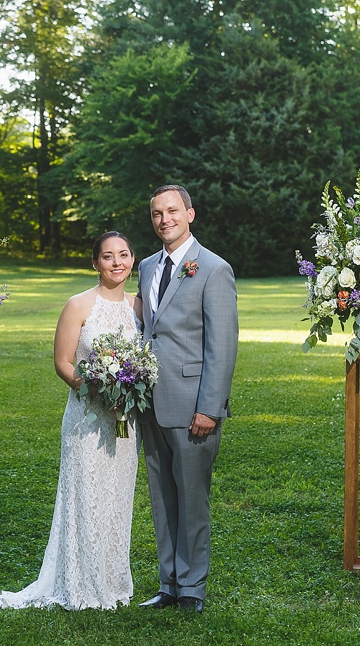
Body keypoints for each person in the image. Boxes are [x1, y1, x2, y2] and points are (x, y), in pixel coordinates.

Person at [0, 231, 142, 611]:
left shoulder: (139, 307)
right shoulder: (78, 305)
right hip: (87, 418)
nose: (117, 262)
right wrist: (96, 393)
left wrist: (126, 396)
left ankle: (111, 582)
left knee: (117, 500)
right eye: (107, 256)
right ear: (95, 263)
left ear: (133, 259)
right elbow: (62, 362)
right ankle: (79, 584)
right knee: (86, 495)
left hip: (125, 422)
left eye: (123, 254)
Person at [137, 185, 238, 613]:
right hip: (149, 405)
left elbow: (223, 344)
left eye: (172, 211)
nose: (165, 219)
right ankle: (168, 584)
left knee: (192, 500)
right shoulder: (144, 266)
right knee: (162, 497)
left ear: (190, 214)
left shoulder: (214, 269)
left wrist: (209, 408)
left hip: (193, 404)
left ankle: (193, 588)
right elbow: (147, 329)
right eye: (157, 213)